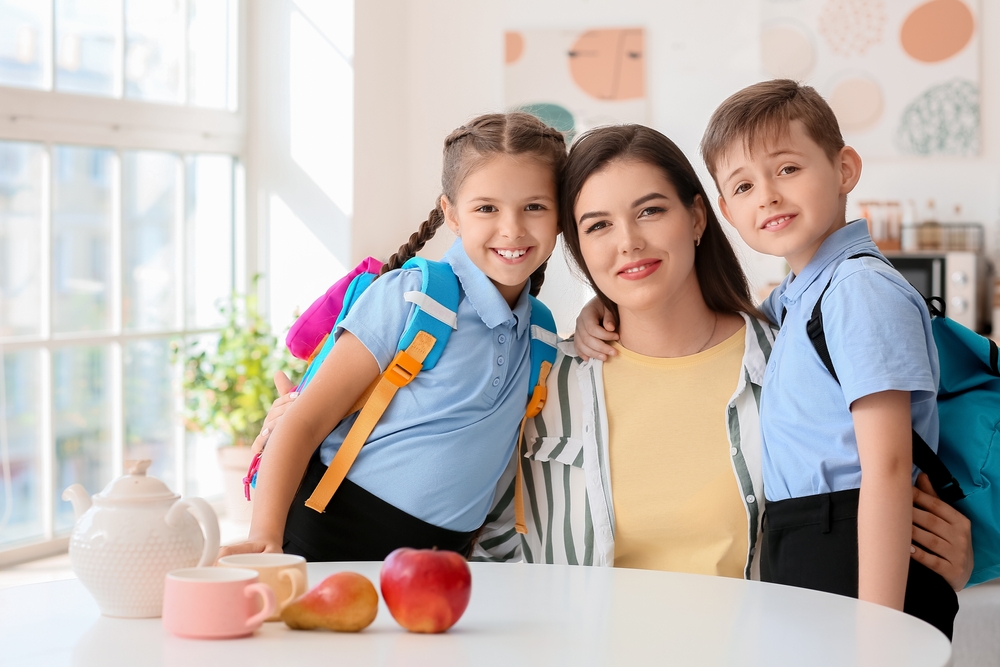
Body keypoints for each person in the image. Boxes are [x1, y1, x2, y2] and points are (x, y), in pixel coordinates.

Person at [474, 124, 973, 600]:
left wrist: (950, 563)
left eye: (649, 211)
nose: (627, 241)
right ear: (578, 247)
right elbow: (491, 546)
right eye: (598, 225)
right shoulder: (544, 380)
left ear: (697, 217)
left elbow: (885, 489)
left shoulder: (793, 362)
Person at [219, 112, 567, 562]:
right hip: (330, 534)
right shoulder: (413, 296)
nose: (513, 228)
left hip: (444, 560)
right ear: (452, 215)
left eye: (534, 206)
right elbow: (301, 423)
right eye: (487, 208)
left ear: (561, 216)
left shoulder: (540, 331)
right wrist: (265, 534)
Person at [700, 79, 957, 636]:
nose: (766, 194)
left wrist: (880, 630)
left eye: (787, 169)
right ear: (725, 209)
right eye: (743, 186)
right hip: (811, 539)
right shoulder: (796, 296)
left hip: (858, 544)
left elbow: (887, 466)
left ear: (844, 169)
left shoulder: (857, 289)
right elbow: (717, 316)